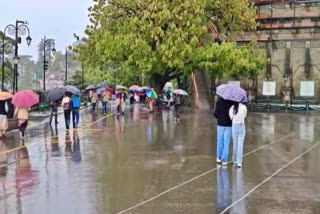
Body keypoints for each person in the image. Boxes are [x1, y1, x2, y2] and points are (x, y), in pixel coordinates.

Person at [214, 97, 233, 166]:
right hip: (228, 125)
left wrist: (219, 117)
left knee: (219, 141)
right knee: (226, 142)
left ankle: (218, 157)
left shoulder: (218, 102)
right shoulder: (231, 103)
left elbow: (215, 114)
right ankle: (224, 160)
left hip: (220, 124)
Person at [229, 102, 247, 168]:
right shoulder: (244, 107)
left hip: (234, 126)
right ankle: (239, 162)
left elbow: (231, 117)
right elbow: (244, 116)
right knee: (240, 144)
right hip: (241, 126)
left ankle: (234, 160)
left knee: (235, 143)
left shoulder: (232, 108)